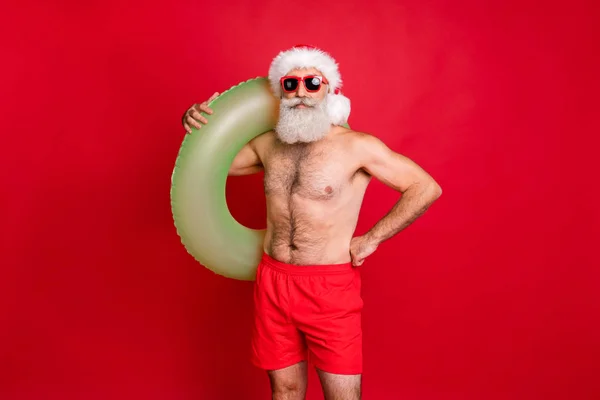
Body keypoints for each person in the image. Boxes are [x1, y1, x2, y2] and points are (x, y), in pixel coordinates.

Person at [181, 45, 442, 400]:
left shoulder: (357, 146)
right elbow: (207, 166)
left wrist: (373, 238)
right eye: (291, 84)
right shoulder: (268, 146)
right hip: (273, 282)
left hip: (329, 288)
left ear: (329, 90)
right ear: (280, 91)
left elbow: (424, 187)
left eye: (312, 83)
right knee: (284, 391)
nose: (301, 91)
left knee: (341, 396)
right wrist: (198, 124)